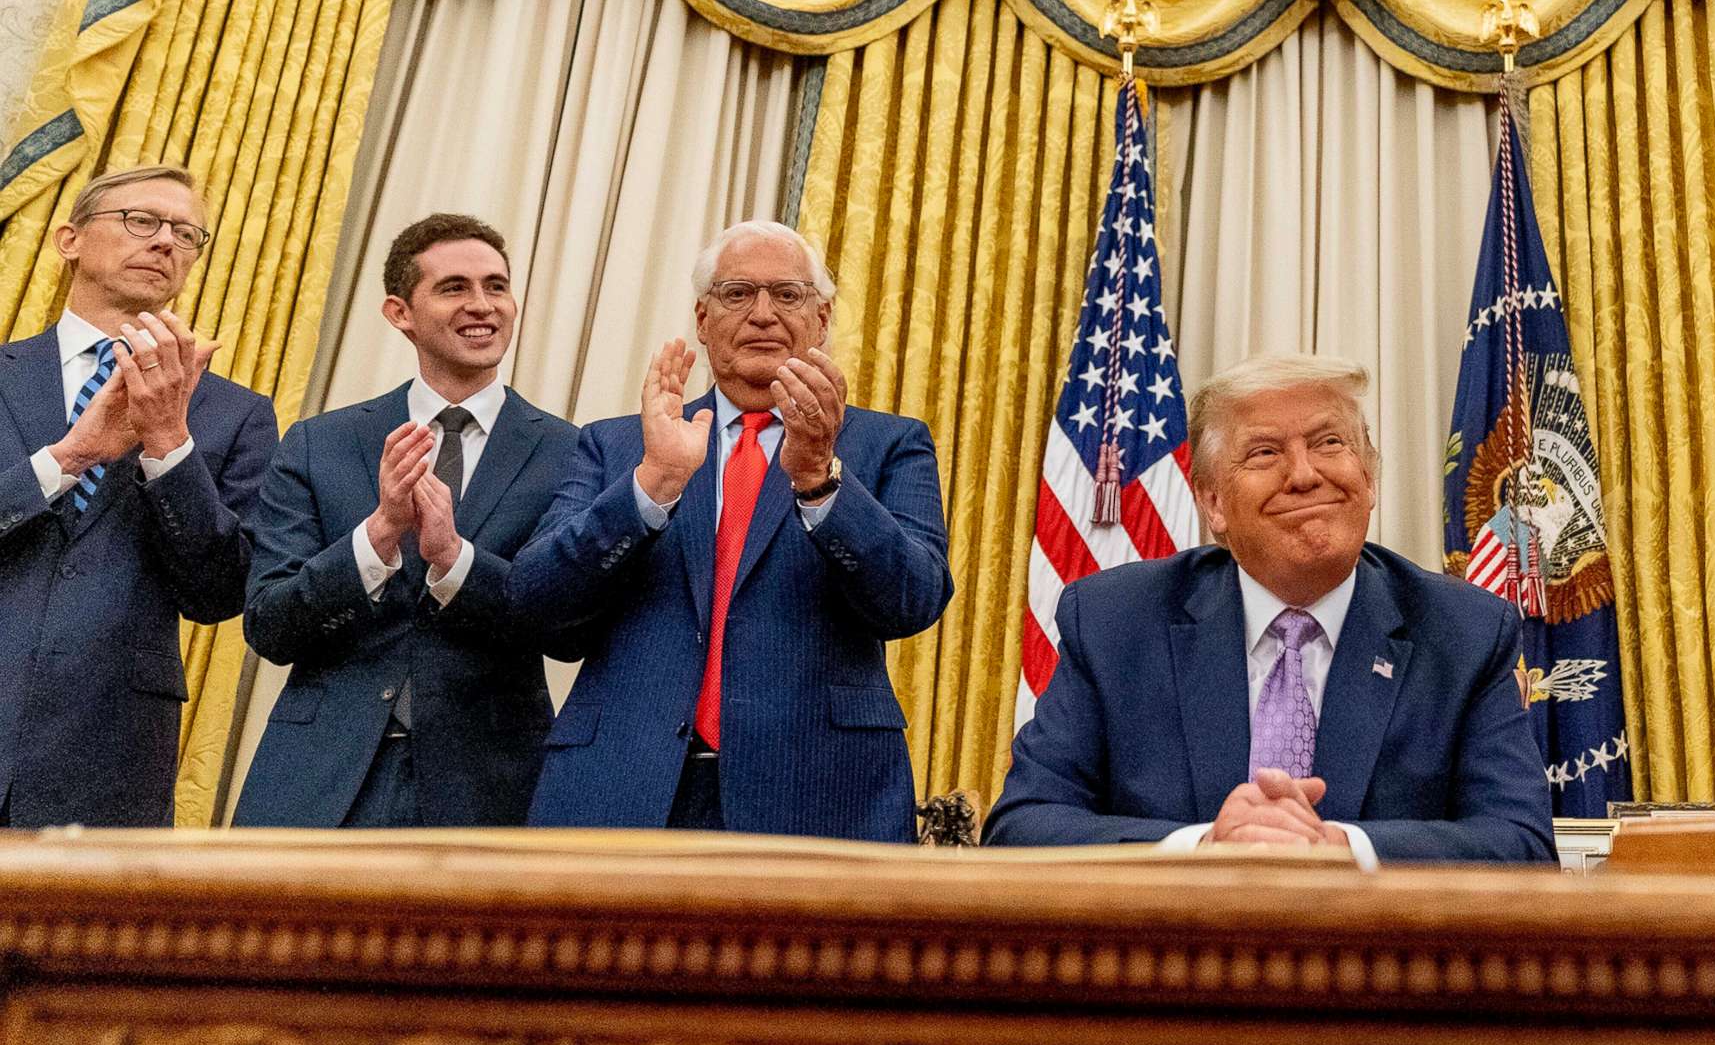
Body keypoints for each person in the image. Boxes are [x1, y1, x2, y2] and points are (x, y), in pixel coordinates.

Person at [986, 354, 1553, 864]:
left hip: (1376, 969)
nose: (1305, 475)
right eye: (1265, 453)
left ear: (1370, 476)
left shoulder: (1465, 632)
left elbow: (1521, 845)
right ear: (1212, 502)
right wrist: (1204, 848)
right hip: (1175, 968)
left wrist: (1339, 847)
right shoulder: (1115, 622)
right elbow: (1021, 828)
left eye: (1330, 443)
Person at [511, 220, 951, 841]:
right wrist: (652, 485)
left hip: (818, 795)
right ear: (702, 317)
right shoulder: (617, 445)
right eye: (738, 293)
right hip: (621, 790)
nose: (764, 314)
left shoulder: (887, 444)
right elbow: (537, 603)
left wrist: (821, 480)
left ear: (822, 320)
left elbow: (914, 600)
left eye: (788, 295)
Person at [234, 215, 578, 828]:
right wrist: (378, 535)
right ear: (400, 313)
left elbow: (562, 623)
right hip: (320, 778)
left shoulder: (570, 452)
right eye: (454, 288)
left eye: (496, 286)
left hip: (489, 788)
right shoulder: (321, 443)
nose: (483, 305)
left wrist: (454, 560)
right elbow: (269, 626)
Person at [0, 163, 276, 826]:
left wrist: (168, 446)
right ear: (70, 240)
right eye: (141, 221)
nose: (164, 243)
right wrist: (70, 457)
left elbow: (220, 593)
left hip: (104, 755)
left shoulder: (234, 413)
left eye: (186, 233)